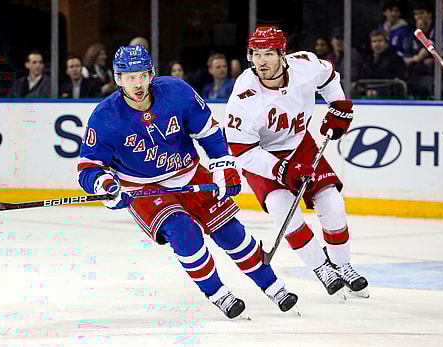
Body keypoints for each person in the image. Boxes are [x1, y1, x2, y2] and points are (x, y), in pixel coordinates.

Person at [77, 44, 298, 319]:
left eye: (142, 75)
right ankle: (218, 294)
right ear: (118, 78)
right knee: (184, 233)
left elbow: (208, 132)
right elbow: (88, 167)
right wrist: (105, 185)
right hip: (145, 189)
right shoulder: (105, 117)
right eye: (130, 77)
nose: (137, 83)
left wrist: (223, 165)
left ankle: (274, 287)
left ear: (152, 74)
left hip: (191, 175)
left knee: (230, 232)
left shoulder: (176, 92)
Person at [224, 26, 369, 299]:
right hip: (263, 158)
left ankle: (342, 264)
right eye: (256, 54)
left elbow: (329, 78)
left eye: (268, 54)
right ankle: (320, 267)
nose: (261, 61)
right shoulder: (244, 97)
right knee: (285, 214)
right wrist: (281, 170)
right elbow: (242, 151)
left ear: (282, 54)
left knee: (333, 205)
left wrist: (338, 106)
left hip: (301, 146)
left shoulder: (304, 65)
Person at [358, 30, 407, 98]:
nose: (377, 44)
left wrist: (379, 91)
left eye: (380, 41)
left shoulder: (395, 59)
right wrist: (366, 90)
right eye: (374, 41)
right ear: (371, 45)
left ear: (386, 43)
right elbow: (361, 79)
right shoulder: (366, 60)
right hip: (368, 95)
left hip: (389, 97)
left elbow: (398, 81)